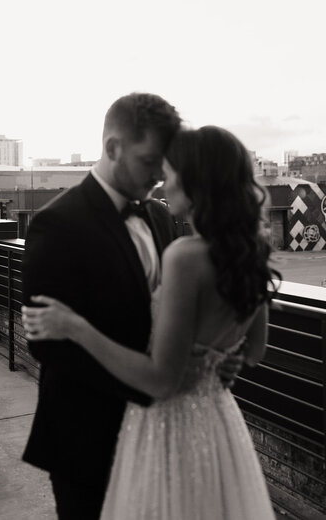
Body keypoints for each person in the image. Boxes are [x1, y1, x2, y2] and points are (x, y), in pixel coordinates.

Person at [22, 125, 281, 519]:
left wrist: (75, 326)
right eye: (154, 164)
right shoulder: (252, 254)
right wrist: (219, 356)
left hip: (164, 422)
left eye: (170, 170)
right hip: (213, 423)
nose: (162, 179)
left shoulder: (179, 248)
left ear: (195, 182)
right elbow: (256, 350)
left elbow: (162, 377)